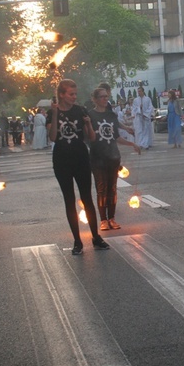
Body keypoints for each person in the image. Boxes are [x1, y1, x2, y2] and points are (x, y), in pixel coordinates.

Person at [47, 79, 110, 254]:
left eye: (75, 94)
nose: (74, 97)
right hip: (62, 160)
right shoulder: (52, 111)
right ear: (61, 94)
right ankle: (77, 241)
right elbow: (53, 137)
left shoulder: (80, 110)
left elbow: (92, 137)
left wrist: (89, 124)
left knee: (87, 198)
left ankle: (96, 237)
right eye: (70, 94)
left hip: (81, 158)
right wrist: (54, 114)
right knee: (69, 199)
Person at [89, 86, 141, 231]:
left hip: (113, 157)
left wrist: (132, 144)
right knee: (101, 189)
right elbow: (89, 137)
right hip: (97, 157)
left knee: (112, 188)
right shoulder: (90, 115)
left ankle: (112, 218)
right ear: (95, 99)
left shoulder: (111, 115)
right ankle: (103, 220)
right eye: (102, 97)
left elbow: (116, 137)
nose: (105, 99)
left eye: (106, 96)